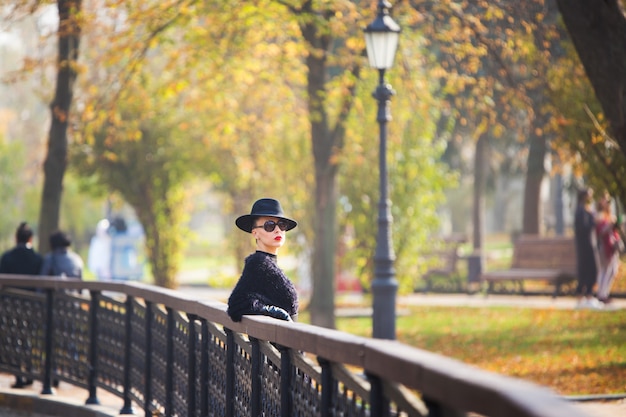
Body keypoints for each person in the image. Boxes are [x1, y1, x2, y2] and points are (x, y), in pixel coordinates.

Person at [227, 198, 299, 322]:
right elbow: (236, 305)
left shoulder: (264, 265)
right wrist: (270, 311)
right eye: (269, 225)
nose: (278, 230)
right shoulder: (258, 265)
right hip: (277, 339)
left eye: (282, 225)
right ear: (255, 233)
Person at [0, 221, 43, 388]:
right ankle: (30, 372)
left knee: (15, 339)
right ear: (31, 238)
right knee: (30, 339)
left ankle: (18, 376)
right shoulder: (38, 259)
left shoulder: (7, 257)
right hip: (32, 306)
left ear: (16, 238)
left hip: (11, 305)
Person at [574, 188, 602, 309]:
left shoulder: (584, 210)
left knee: (590, 270)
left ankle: (587, 296)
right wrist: (594, 221)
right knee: (589, 270)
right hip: (585, 245)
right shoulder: (581, 211)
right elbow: (583, 227)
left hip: (588, 244)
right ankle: (586, 297)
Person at [595, 194, 622, 304]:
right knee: (604, 270)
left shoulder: (610, 215)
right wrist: (609, 226)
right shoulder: (599, 216)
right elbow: (599, 232)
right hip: (604, 246)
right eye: (605, 200)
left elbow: (614, 231)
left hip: (612, 246)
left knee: (613, 270)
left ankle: (604, 293)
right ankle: (601, 294)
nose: (607, 203)